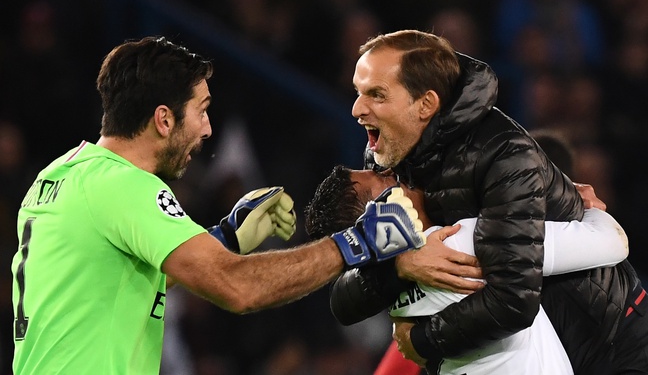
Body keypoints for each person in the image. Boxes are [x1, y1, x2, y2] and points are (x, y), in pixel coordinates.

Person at [10, 36, 436, 374]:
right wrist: (356, 242)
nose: (208, 128)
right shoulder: (126, 186)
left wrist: (223, 239)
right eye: (201, 110)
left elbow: (113, 281)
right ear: (163, 119)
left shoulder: (60, 174)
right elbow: (239, 289)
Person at [334, 29, 647, 374]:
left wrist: (419, 342)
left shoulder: (503, 155)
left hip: (610, 346)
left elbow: (513, 301)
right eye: (358, 92)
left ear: (425, 104)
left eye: (376, 95)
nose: (357, 109)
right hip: (520, 352)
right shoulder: (384, 155)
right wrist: (399, 267)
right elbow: (344, 301)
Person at [304, 165, 629, 374]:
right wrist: (576, 202)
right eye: (385, 179)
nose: (395, 171)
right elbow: (611, 243)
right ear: (379, 218)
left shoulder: (391, 297)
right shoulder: (462, 241)